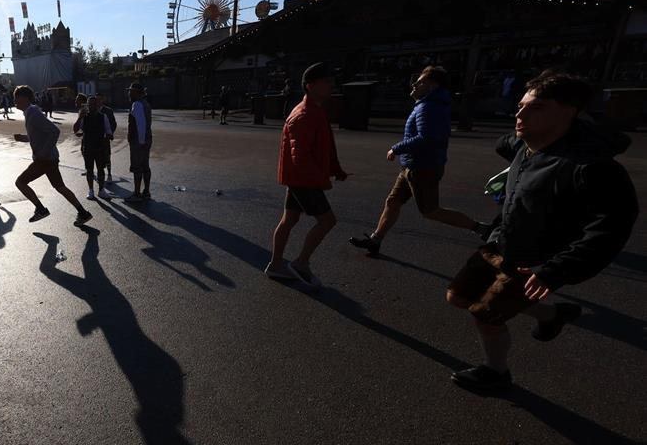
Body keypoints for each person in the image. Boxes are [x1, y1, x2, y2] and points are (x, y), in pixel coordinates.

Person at [445, 72, 638, 391]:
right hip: (500, 241)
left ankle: (497, 373)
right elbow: (504, 143)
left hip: (533, 261)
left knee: (485, 316)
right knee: (457, 296)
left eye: (535, 108)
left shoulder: (591, 167)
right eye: (520, 106)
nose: (519, 115)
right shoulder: (524, 142)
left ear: (570, 112)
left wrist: (557, 270)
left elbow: (611, 227)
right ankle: (551, 314)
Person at [349, 66, 491, 255]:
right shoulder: (428, 104)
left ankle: (482, 229)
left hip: (423, 167)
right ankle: (376, 240)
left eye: (421, 81)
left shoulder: (429, 107)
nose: (414, 84)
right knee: (393, 202)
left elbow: (426, 137)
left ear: (432, 86)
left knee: (430, 211)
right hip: (413, 165)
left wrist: (396, 148)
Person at [265, 62, 350, 289]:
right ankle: (301, 263)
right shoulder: (304, 115)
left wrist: (335, 169)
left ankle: (275, 265)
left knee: (289, 219)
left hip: (300, 178)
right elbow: (300, 156)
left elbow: (325, 147)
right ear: (310, 86)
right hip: (304, 179)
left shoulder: (315, 110)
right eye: (326, 82)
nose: (331, 86)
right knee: (327, 221)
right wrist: (321, 179)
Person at [12, 85, 93, 226]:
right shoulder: (30, 113)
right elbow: (38, 135)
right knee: (60, 186)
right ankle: (83, 212)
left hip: (44, 159)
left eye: (17, 97)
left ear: (25, 98)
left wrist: (43, 152)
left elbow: (54, 131)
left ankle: (40, 209)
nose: (15, 100)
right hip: (49, 158)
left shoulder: (33, 113)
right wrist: (24, 138)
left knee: (20, 182)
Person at [75, 94, 115, 200]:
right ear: (87, 105)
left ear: (97, 105)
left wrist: (108, 137)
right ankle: (91, 190)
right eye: (90, 104)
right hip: (88, 147)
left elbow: (109, 132)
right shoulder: (84, 117)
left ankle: (101, 190)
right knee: (89, 170)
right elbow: (76, 131)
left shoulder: (103, 116)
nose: (92, 106)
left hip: (99, 148)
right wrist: (80, 118)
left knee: (101, 170)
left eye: (94, 104)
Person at [125, 82, 153, 203]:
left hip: (139, 140)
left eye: (131, 91)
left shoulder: (137, 104)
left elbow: (140, 124)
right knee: (145, 165)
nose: (129, 93)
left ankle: (137, 193)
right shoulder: (146, 104)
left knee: (137, 167)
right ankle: (146, 191)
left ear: (137, 93)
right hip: (147, 138)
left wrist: (140, 142)